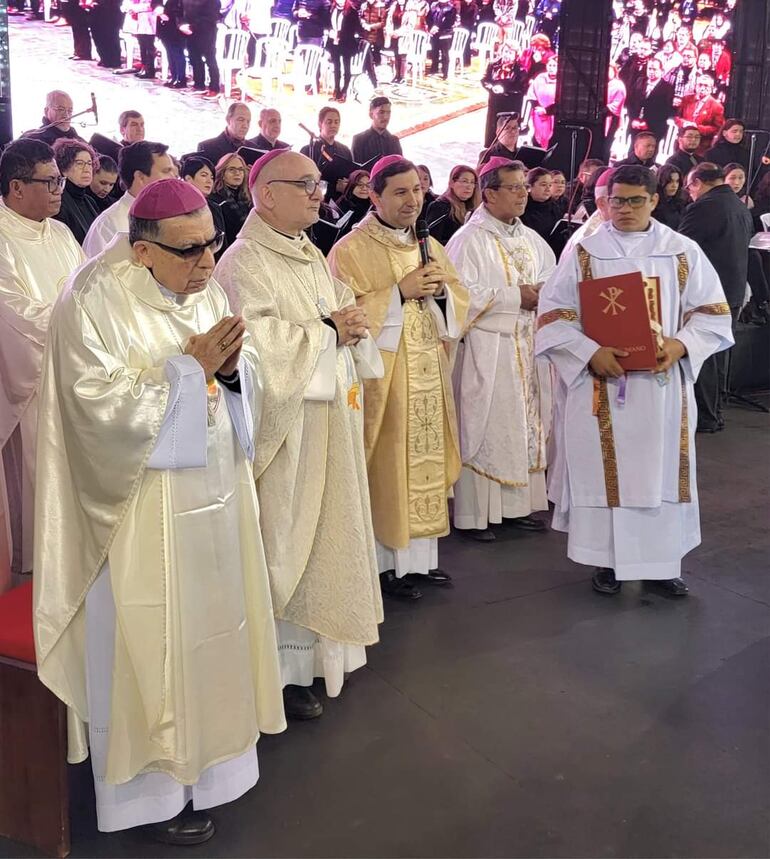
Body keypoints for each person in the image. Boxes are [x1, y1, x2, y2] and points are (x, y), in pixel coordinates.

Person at [34, 178, 286, 845]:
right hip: (139, 512)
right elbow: (94, 412)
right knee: (151, 639)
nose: (208, 262)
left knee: (217, 625)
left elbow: (245, 373)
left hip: (217, 498)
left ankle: (218, 770)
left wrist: (231, 372)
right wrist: (188, 370)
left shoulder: (210, 287)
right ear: (143, 252)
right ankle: (147, 793)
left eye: (213, 243)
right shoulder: (91, 299)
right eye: (191, 251)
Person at [215, 147, 385, 720]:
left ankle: (319, 658)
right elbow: (250, 345)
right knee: (283, 538)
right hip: (286, 432)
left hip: (327, 420)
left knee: (325, 535)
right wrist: (330, 330)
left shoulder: (307, 252)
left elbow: (337, 314)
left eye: (318, 184)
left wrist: (349, 324)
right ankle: (281, 671)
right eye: (307, 184)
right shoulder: (243, 262)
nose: (320, 193)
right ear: (266, 194)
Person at [536, 164, 734, 597]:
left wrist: (680, 346)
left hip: (661, 390)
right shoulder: (584, 252)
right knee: (608, 472)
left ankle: (662, 565)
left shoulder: (681, 251)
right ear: (604, 201)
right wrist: (591, 353)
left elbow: (713, 313)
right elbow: (552, 317)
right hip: (603, 385)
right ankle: (607, 562)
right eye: (616, 200)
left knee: (660, 472)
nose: (623, 209)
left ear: (654, 201)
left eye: (635, 200)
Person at [328, 156, 469, 601]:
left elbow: (457, 299)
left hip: (428, 370)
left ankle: (421, 562)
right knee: (389, 465)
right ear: (375, 195)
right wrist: (398, 294)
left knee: (422, 465)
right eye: (400, 192)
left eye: (417, 190)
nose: (413, 201)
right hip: (386, 378)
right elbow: (343, 313)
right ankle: (386, 566)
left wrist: (443, 293)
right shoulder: (350, 250)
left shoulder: (429, 243)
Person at [446, 157, 555, 541]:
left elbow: (551, 279)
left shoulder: (531, 238)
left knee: (524, 425)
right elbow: (457, 296)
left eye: (525, 186)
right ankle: (476, 516)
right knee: (487, 425)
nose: (523, 194)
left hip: (527, 345)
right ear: (489, 193)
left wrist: (544, 295)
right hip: (488, 348)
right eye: (514, 187)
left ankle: (516, 508)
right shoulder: (468, 239)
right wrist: (515, 297)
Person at [0, 139, 84, 582]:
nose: (59, 189)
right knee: (34, 480)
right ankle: (33, 575)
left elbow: (90, 291)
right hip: (30, 383)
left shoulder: (63, 233)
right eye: (50, 181)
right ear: (16, 186)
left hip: (75, 375)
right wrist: (74, 326)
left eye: (60, 180)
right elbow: (9, 311)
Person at [680, 162, 754, 433]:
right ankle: (716, 410)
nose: (689, 194)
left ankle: (707, 416)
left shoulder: (704, 207)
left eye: (689, 187)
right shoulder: (738, 205)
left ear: (698, 182)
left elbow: (681, 248)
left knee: (704, 354)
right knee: (720, 353)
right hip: (733, 290)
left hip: (708, 292)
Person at [84, 141, 176, 256]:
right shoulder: (108, 225)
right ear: (140, 177)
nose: (173, 179)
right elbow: (97, 272)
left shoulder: (173, 216)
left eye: (173, 171)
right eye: (166, 171)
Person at [52, 139, 101, 244]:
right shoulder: (58, 201)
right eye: (80, 163)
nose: (87, 169)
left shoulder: (90, 201)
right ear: (63, 168)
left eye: (89, 163)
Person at [300, 106, 354, 200]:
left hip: (340, 201)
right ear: (320, 124)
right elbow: (304, 181)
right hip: (315, 199)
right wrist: (334, 187)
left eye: (336, 122)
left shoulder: (345, 150)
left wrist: (348, 184)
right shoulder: (308, 150)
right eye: (329, 122)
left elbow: (350, 175)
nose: (333, 125)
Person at [481, 44, 528, 148]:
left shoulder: (520, 69)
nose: (507, 55)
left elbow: (521, 87)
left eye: (510, 53)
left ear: (516, 55)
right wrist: (492, 88)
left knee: (508, 130)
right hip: (495, 102)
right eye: (505, 52)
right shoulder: (493, 65)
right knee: (493, 129)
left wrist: (504, 90)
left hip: (511, 103)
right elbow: (484, 80)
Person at [425, 164, 480, 245]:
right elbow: (432, 242)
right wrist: (461, 242)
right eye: (464, 181)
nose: (469, 186)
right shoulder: (441, 206)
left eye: (472, 182)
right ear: (452, 183)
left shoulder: (472, 208)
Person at [209, 152, 252, 250]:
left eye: (241, 169)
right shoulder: (216, 201)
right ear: (222, 174)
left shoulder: (247, 198)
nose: (237, 173)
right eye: (232, 169)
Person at [628, 56, 675, 144]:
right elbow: (630, 102)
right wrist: (633, 119)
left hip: (654, 128)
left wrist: (647, 124)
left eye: (654, 69)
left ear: (661, 71)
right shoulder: (639, 81)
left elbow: (665, 111)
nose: (651, 72)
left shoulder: (667, 88)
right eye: (649, 69)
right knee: (632, 152)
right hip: (635, 126)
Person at [180, 153, 226, 242]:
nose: (209, 181)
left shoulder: (214, 207)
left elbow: (222, 241)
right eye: (204, 175)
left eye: (212, 177)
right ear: (188, 178)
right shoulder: (180, 208)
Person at [676, 73, 724, 155]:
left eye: (706, 86)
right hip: (682, 143)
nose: (702, 88)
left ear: (712, 88)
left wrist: (698, 128)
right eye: (700, 85)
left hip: (701, 146)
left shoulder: (717, 106)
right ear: (695, 86)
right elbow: (677, 118)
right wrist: (684, 123)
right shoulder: (686, 99)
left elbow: (718, 128)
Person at [181, 0, 221, 98]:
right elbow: (182, 10)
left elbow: (211, 17)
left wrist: (192, 26)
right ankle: (199, 85)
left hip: (207, 32)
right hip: (191, 32)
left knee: (210, 59)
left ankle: (214, 88)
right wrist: (182, 24)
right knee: (194, 59)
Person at [351, 97, 403, 165]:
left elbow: (401, 167)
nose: (386, 117)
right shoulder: (359, 140)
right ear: (371, 115)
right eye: (381, 112)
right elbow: (356, 170)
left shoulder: (394, 141)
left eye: (388, 112)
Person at [327, 0, 360, 102]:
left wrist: (339, 34)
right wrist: (330, 32)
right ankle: (336, 90)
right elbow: (328, 23)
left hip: (347, 43)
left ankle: (344, 91)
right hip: (334, 42)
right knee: (336, 67)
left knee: (346, 68)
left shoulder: (352, 11)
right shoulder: (332, 8)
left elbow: (354, 29)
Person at [521, 166, 561, 244]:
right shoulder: (522, 207)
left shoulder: (554, 206)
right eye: (543, 185)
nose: (548, 189)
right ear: (530, 186)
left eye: (550, 185)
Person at [525, 54, 558, 149]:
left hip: (553, 117)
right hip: (538, 116)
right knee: (536, 143)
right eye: (549, 65)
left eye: (554, 65)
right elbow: (531, 94)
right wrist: (537, 108)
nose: (551, 68)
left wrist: (547, 111)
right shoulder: (540, 78)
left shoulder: (562, 81)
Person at [157, 0, 187, 87]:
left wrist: (165, 13)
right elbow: (155, 4)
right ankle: (174, 77)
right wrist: (158, 10)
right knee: (170, 53)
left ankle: (181, 79)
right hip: (165, 28)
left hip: (175, 28)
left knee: (177, 53)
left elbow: (179, 11)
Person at [652, 163, 687, 230]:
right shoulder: (653, 204)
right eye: (670, 181)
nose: (674, 185)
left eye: (677, 181)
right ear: (661, 181)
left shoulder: (680, 202)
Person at [427, 0, 456, 79]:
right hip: (434, 33)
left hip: (445, 33)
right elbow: (429, 18)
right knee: (434, 51)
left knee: (444, 54)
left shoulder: (451, 9)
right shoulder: (434, 7)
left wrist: (438, 27)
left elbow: (449, 22)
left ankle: (445, 72)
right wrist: (431, 27)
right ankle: (434, 69)